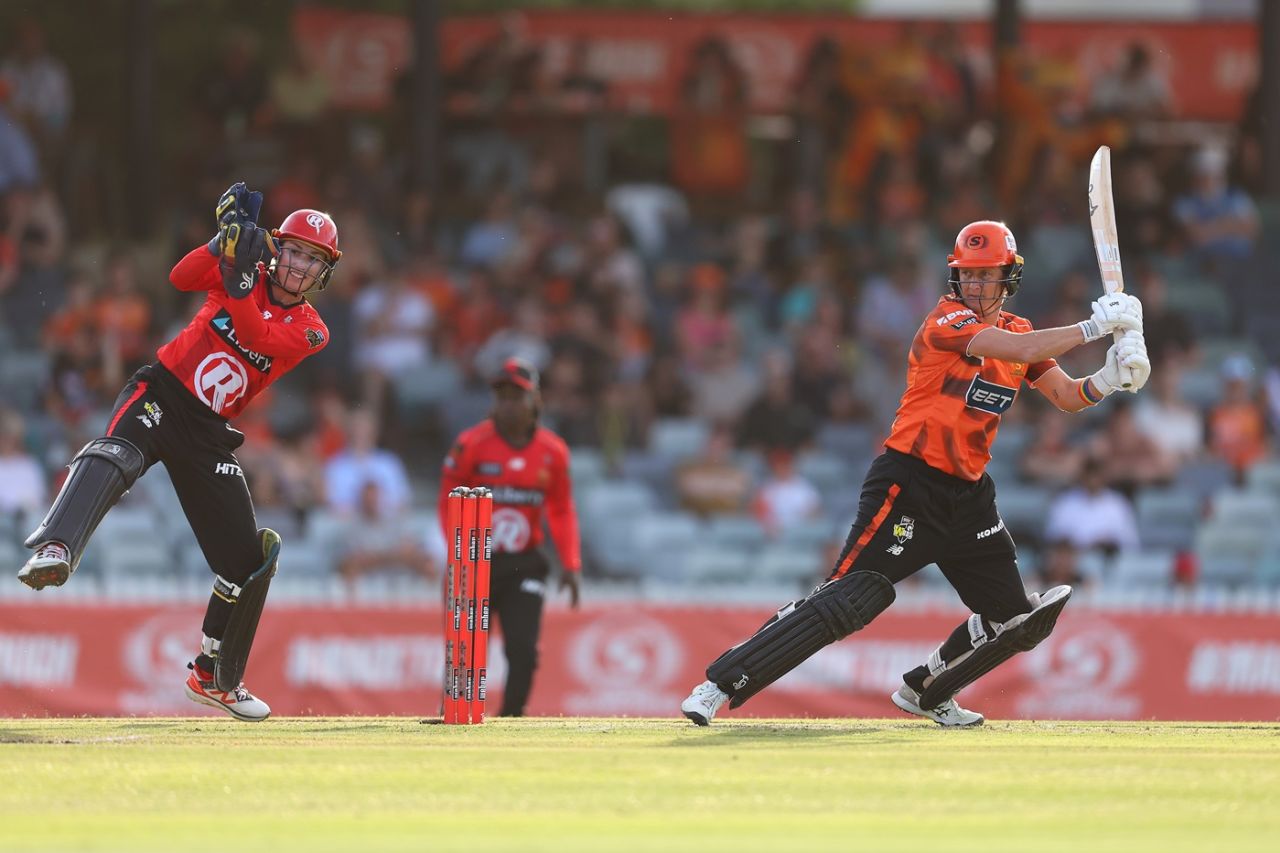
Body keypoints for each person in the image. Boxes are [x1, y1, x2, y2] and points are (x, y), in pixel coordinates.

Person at [680, 220, 1150, 728]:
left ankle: (928, 690)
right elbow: (1020, 350)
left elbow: (1065, 395)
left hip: (970, 498)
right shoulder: (946, 322)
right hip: (909, 484)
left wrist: (1108, 378)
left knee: (1017, 620)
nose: (973, 285)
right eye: (966, 275)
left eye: (985, 275)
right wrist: (1092, 328)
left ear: (1008, 276)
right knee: (849, 599)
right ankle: (717, 686)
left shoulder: (1021, 331)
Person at [17, 182, 341, 723]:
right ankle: (55, 549)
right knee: (115, 453)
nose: (300, 265)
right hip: (163, 392)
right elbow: (180, 277)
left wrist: (238, 275)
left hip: (209, 430)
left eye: (314, 259)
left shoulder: (313, 330)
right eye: (296, 251)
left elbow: (255, 333)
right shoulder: (243, 270)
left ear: (322, 273)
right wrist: (222, 244)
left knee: (250, 560)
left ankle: (215, 677)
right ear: (278, 248)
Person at [439, 357, 582, 716]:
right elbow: (448, 502)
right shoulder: (470, 444)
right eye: (501, 396)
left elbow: (561, 510)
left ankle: (511, 720)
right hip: (475, 561)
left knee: (523, 650)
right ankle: (456, 715)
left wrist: (571, 563)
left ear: (535, 400)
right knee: (466, 649)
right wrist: (459, 554)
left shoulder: (552, 452)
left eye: (516, 396)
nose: (507, 403)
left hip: (524, 564)